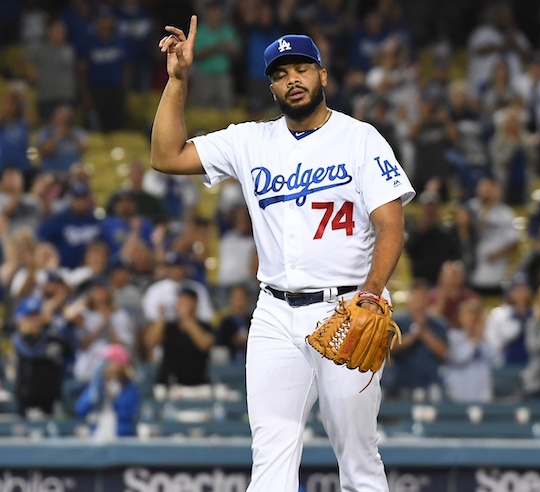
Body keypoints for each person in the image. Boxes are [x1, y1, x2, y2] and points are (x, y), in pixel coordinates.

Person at [152, 22, 414, 492]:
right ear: (271, 85)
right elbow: (166, 155)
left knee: (356, 457)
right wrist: (177, 81)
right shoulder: (251, 141)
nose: (293, 79)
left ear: (323, 76)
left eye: (302, 68)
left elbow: (391, 224)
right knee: (270, 456)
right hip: (273, 311)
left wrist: (373, 294)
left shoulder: (361, 139)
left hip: (347, 307)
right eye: (281, 73)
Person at [143, 285, 215, 387]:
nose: (180, 305)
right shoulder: (169, 327)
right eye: (179, 301)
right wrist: (162, 319)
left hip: (195, 385)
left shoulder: (204, 326)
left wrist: (187, 320)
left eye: (185, 301)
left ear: (194, 303)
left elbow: (205, 344)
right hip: (168, 383)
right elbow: (150, 342)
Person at [75, 343, 139, 438]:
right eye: (105, 362)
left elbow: (127, 414)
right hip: (97, 434)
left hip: (121, 436)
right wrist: (98, 391)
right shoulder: (97, 385)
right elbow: (80, 409)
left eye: (111, 362)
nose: (107, 366)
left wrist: (115, 398)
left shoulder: (129, 387)